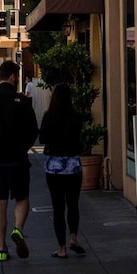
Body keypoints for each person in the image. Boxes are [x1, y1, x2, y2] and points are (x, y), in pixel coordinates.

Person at [0, 59, 38, 262]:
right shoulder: (21, 101)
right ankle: (18, 228)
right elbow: (33, 131)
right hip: (18, 159)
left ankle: (1, 249)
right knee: (21, 197)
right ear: (13, 76)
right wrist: (22, 147)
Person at [39, 82, 86, 259]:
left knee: (58, 207)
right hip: (73, 165)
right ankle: (74, 237)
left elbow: (42, 138)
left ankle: (61, 248)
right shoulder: (77, 117)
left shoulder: (48, 116)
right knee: (73, 204)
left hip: (54, 166)